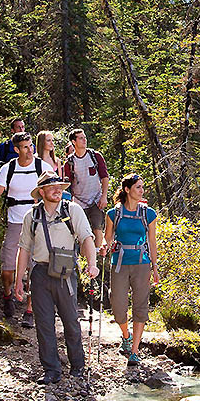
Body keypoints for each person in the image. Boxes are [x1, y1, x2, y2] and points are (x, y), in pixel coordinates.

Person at [15, 172, 99, 385]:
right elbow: (24, 248)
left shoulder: (73, 210)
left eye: (59, 186)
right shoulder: (31, 216)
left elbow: (87, 238)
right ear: (41, 192)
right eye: (51, 187)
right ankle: (51, 370)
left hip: (66, 272)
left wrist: (92, 264)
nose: (57, 190)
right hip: (40, 273)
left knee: (71, 320)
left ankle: (78, 366)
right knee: (44, 323)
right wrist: (19, 280)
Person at [0, 132, 45, 320]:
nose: (30, 150)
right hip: (14, 222)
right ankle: (8, 296)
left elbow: (54, 189)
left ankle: (29, 310)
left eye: (31, 146)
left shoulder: (41, 167)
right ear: (16, 149)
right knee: (7, 268)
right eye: (26, 147)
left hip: (37, 222)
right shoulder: (8, 168)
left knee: (34, 268)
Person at [103, 173, 159, 366]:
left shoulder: (148, 214)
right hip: (119, 262)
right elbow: (108, 237)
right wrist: (103, 246)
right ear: (127, 190)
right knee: (118, 305)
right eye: (138, 187)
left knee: (140, 305)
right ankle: (126, 336)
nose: (142, 191)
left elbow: (152, 242)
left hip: (142, 263)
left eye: (142, 187)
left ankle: (135, 350)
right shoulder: (113, 214)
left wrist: (155, 267)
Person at [63, 129, 110, 251]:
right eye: (81, 138)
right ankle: (85, 260)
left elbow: (104, 177)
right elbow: (68, 185)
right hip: (79, 202)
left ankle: (98, 257)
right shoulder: (69, 163)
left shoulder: (95, 156)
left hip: (96, 199)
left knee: (97, 228)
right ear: (74, 142)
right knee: (83, 233)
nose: (84, 140)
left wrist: (104, 196)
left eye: (85, 137)